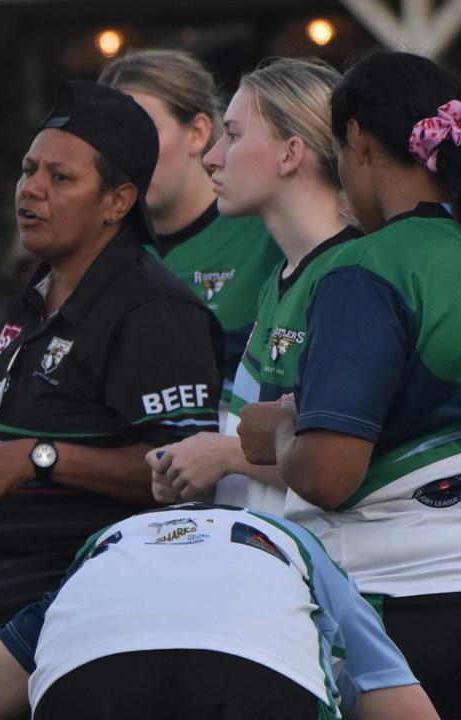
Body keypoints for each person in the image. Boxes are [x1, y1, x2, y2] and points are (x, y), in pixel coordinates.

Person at [0, 79, 223, 632]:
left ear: (118, 202)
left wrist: (39, 456)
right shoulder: (33, 296)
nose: (30, 189)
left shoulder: (151, 308)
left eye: (59, 178)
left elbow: (187, 469)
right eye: (28, 169)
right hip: (8, 610)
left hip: (94, 610)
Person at [237, 50, 461, 718]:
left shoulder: (369, 265)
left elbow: (327, 474)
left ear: (356, 139)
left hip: (402, 603)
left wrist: (282, 430)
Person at [0, 503, 439, 720]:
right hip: (255, 676)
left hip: (93, 674)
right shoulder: (298, 545)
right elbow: (406, 708)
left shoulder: (104, 557)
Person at [146, 58, 356, 513]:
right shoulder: (282, 277)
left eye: (234, 135)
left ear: (290, 153)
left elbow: (355, 457)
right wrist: (200, 474)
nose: (212, 157)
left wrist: (224, 456)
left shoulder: (354, 276)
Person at [100, 49, 282, 408]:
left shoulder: (269, 231)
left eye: (141, 131)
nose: (122, 155)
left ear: (198, 132)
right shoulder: (100, 251)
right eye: (107, 138)